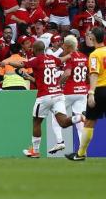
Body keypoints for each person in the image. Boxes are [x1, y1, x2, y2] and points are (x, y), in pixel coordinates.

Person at [9, 40, 85, 158]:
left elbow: (22, 65)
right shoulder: (52, 58)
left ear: (34, 49)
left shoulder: (37, 59)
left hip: (44, 96)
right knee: (63, 122)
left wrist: (7, 62)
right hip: (58, 95)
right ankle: (80, 117)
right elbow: (60, 61)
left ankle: (35, 150)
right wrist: (70, 55)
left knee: (37, 122)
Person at [66, 27, 106, 161]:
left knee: (89, 122)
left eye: (90, 35)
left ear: (93, 38)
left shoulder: (94, 55)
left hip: (100, 90)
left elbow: (94, 74)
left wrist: (91, 92)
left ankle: (81, 153)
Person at [48, 35, 88, 154]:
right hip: (82, 92)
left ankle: (60, 142)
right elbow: (88, 75)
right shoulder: (84, 57)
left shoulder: (70, 57)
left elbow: (66, 74)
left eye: (64, 45)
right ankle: (82, 150)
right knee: (80, 122)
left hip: (69, 92)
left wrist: (58, 84)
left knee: (56, 116)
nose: (62, 47)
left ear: (68, 46)